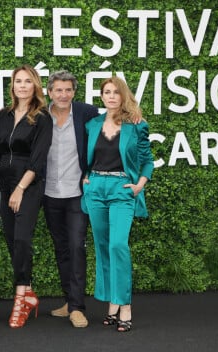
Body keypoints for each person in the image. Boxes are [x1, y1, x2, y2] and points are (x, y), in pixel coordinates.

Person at [81, 76, 154, 333]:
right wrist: (85, 177)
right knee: (102, 248)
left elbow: (147, 160)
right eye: (106, 92)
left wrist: (139, 185)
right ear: (101, 96)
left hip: (123, 190)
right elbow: (81, 155)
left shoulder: (137, 125)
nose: (111, 96)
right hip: (96, 190)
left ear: (123, 96)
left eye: (115, 92)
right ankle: (111, 303)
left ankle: (125, 306)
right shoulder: (92, 124)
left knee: (118, 245)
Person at [0, 65, 52, 328]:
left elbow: (39, 159)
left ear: (35, 86)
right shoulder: (3, 115)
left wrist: (20, 188)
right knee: (11, 240)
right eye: (18, 81)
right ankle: (27, 292)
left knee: (22, 238)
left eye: (27, 81)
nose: (22, 86)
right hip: (4, 185)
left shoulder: (42, 117)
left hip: (28, 186)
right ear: (12, 85)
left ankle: (21, 296)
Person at [44, 70, 99, 328]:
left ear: (74, 92)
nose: (63, 94)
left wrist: (133, 116)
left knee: (77, 247)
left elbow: (112, 124)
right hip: (49, 194)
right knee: (62, 249)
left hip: (77, 193)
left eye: (68, 90)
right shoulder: (41, 116)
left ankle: (77, 307)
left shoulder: (87, 113)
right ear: (49, 92)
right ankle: (69, 300)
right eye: (58, 90)